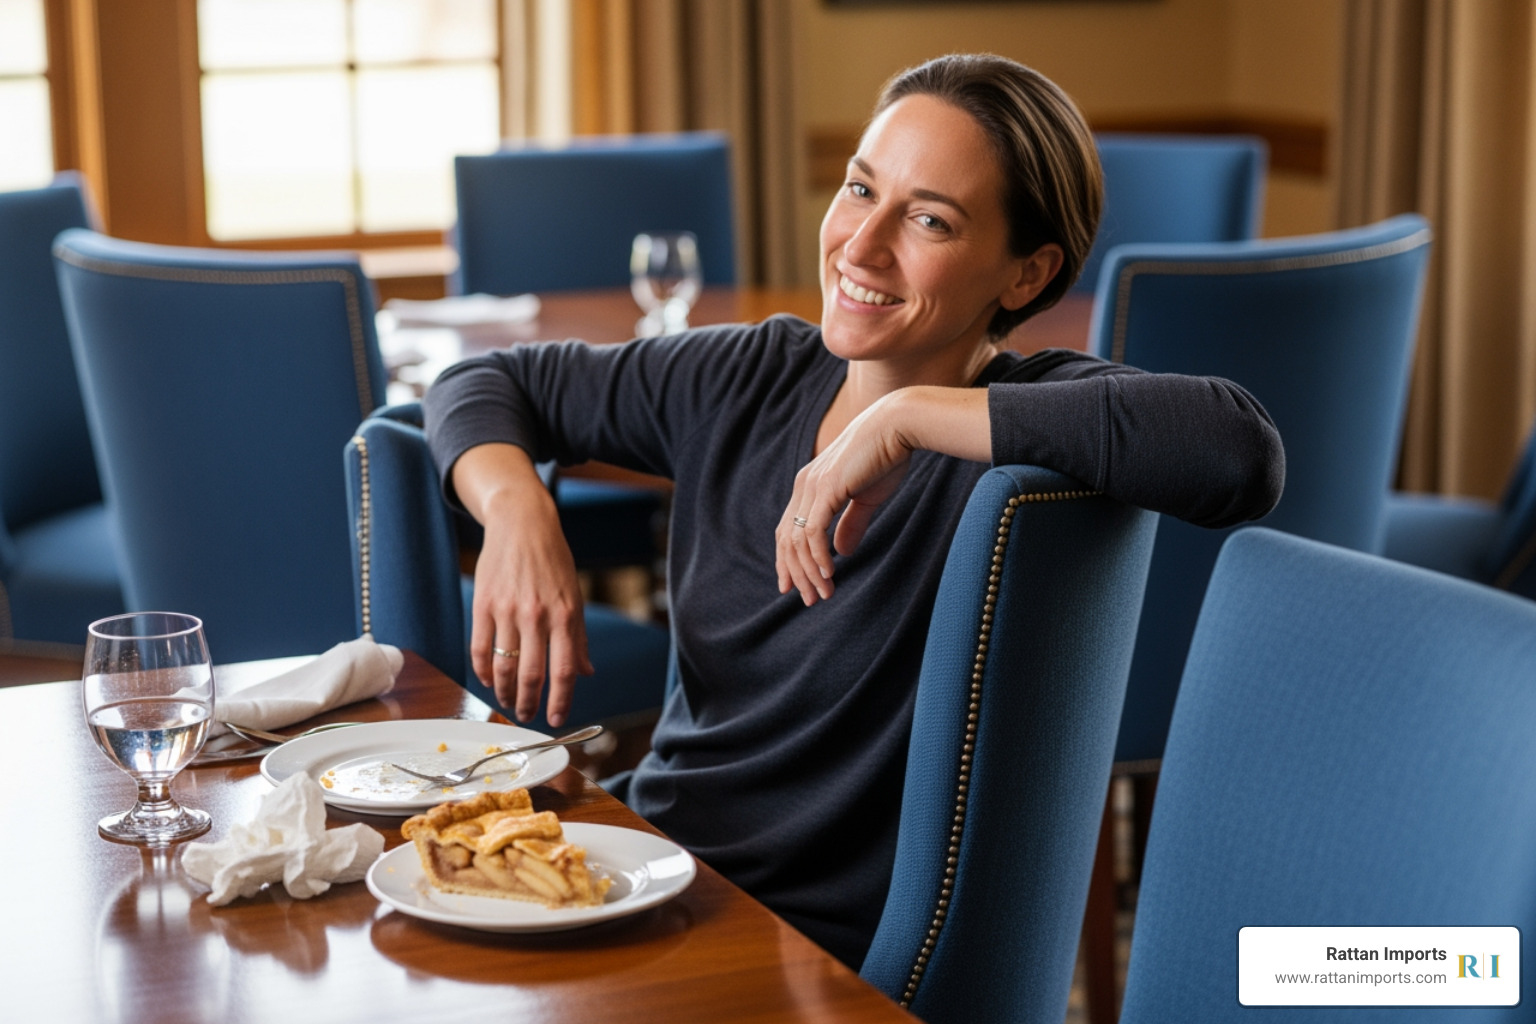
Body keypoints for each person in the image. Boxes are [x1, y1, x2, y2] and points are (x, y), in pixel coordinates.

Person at [423, 53, 1284, 968]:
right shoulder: (746, 376)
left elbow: (1238, 450)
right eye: (858, 189)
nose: (861, 246)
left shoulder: (1034, 419)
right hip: (642, 866)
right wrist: (517, 511)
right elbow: (482, 381)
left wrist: (908, 417)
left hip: (789, 949)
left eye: (928, 219)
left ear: (1026, 277)